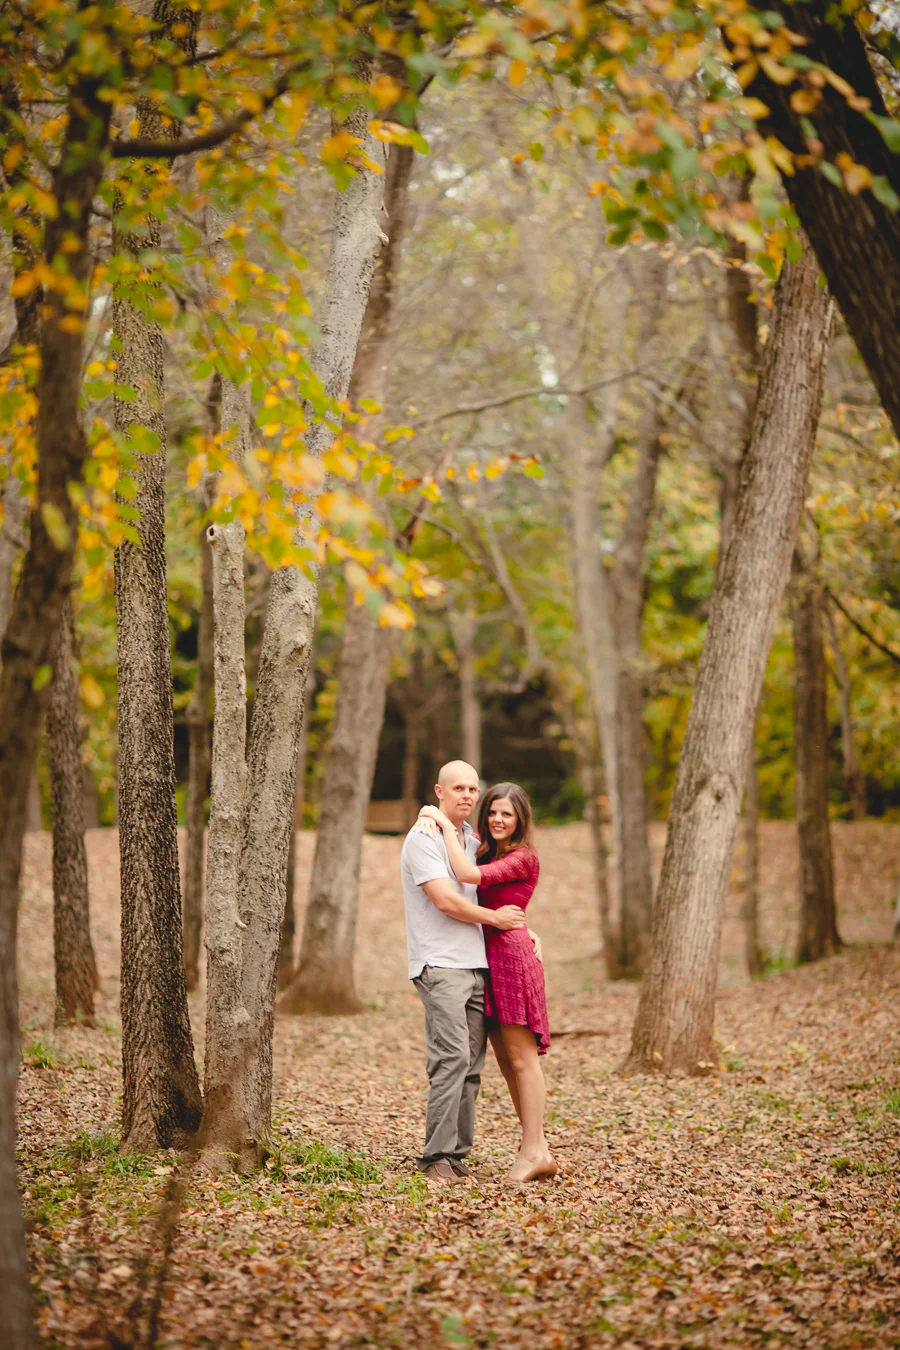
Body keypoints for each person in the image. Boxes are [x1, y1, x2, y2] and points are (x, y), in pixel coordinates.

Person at [400, 760, 537, 1186]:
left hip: (477, 965)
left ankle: (457, 1155)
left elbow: (495, 892)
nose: (466, 795)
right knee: (452, 1057)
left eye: (472, 789)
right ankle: (435, 1157)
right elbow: (447, 901)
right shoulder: (424, 838)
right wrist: (498, 921)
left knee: (473, 1065)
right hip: (440, 963)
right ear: (439, 792)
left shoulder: (472, 839)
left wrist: (523, 928)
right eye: (456, 788)